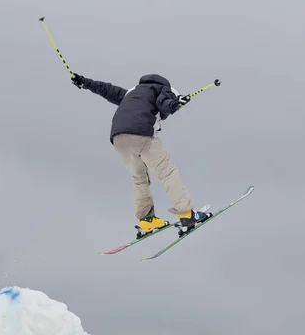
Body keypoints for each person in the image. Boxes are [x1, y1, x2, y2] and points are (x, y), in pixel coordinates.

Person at [70, 72, 212, 238]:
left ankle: (147, 220)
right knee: (166, 171)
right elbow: (164, 102)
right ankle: (187, 215)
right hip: (141, 133)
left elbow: (107, 90)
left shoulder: (132, 92)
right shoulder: (164, 89)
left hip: (118, 137)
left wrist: (84, 82)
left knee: (139, 177)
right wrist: (174, 104)